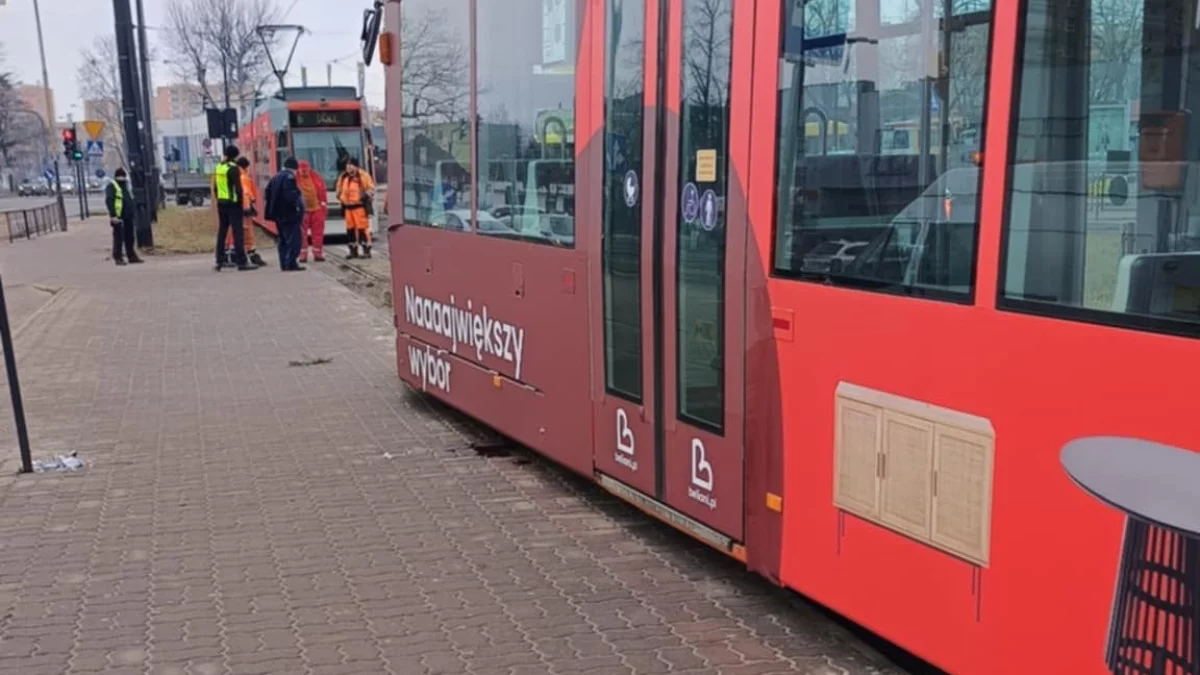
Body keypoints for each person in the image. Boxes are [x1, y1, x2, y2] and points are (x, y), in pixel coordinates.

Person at [211, 145, 255, 272]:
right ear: (235, 155)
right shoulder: (234, 169)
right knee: (238, 232)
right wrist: (242, 204)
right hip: (233, 204)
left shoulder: (219, 167)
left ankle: (219, 260)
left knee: (222, 232)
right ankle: (242, 262)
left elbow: (215, 187)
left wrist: (219, 199)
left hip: (222, 203)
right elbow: (238, 189)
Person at [264, 157, 306, 271]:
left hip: (278, 215)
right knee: (294, 240)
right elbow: (291, 197)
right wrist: (297, 208)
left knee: (282, 239)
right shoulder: (289, 178)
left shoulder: (275, 177)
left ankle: (284, 263)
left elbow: (267, 193)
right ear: (294, 168)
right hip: (289, 215)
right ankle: (291, 263)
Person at [223, 157, 266, 267]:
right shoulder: (243, 177)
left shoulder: (233, 175)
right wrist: (248, 208)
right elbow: (245, 193)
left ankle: (231, 254)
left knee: (233, 231)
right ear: (246, 166)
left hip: (234, 208)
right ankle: (250, 255)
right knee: (246, 233)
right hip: (243, 209)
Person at [336, 158, 376, 259]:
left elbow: (371, 188)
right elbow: (339, 190)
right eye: (347, 165)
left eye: (351, 165)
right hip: (348, 208)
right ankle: (353, 250)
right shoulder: (343, 177)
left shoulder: (363, 176)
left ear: (356, 166)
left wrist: (365, 196)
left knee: (362, 228)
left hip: (359, 207)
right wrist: (340, 198)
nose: (349, 167)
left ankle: (366, 250)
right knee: (350, 230)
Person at [105, 168, 142, 266]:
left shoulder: (125, 186)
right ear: (116, 176)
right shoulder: (112, 186)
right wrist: (113, 215)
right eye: (120, 176)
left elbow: (129, 199)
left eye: (123, 176)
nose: (122, 178)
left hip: (128, 216)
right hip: (118, 216)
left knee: (130, 237)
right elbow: (109, 200)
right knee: (118, 238)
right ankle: (118, 257)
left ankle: (131, 256)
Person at [295, 160, 328, 263]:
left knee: (317, 233)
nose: (304, 171)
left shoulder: (316, 177)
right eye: (302, 169)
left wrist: (323, 205)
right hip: (303, 210)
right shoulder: (295, 178)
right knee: (301, 234)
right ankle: (303, 254)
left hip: (316, 209)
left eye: (306, 169)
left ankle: (317, 253)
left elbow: (322, 192)